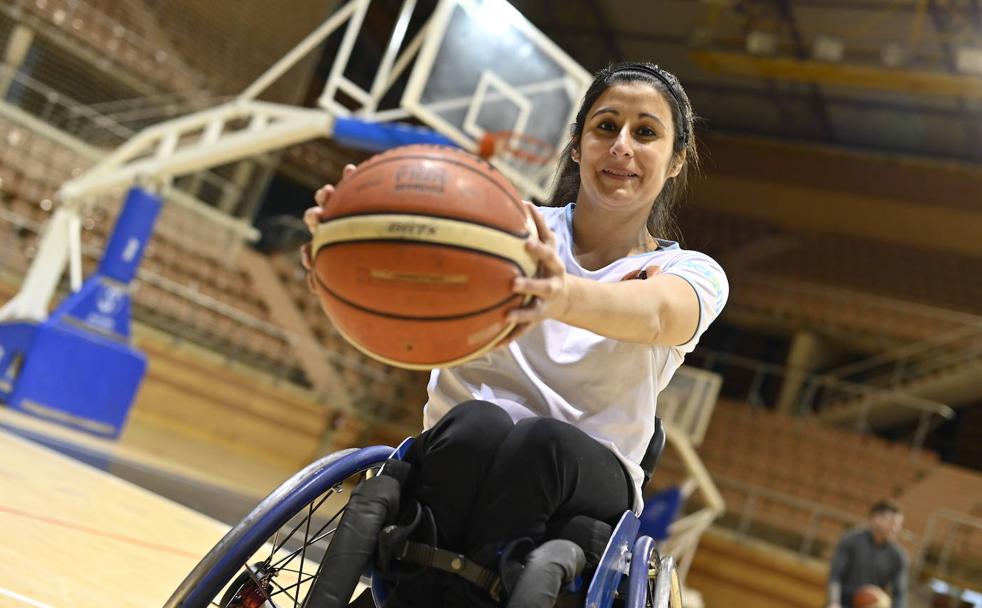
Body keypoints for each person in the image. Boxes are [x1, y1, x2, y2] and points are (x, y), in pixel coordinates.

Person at [302, 62, 729, 607]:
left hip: (586, 480)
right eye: (605, 127)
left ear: (675, 161)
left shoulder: (694, 271)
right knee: (480, 422)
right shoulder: (503, 225)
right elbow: (410, 259)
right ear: (577, 146)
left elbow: (656, 315)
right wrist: (348, 244)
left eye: (645, 132)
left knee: (541, 441)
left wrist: (562, 296)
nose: (622, 145)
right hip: (463, 444)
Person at [827, 500, 908, 608]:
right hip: (844, 602)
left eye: (899, 525)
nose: (896, 529)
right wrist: (834, 602)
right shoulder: (850, 540)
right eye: (892, 523)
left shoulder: (898, 555)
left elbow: (899, 593)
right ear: (876, 519)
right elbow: (835, 576)